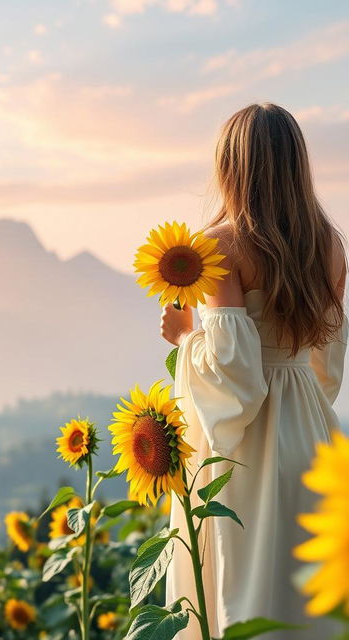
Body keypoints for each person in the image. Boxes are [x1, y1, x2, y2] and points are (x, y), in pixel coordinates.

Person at [160, 103, 347, 640]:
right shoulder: (330, 246)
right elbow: (327, 368)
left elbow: (236, 379)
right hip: (311, 433)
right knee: (301, 599)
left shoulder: (221, 245)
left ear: (230, 166)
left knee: (244, 588)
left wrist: (184, 337)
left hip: (249, 443)